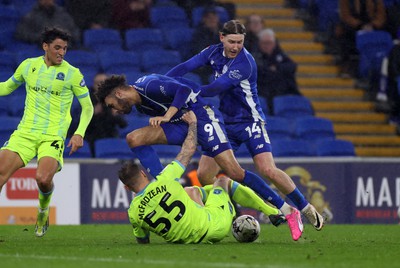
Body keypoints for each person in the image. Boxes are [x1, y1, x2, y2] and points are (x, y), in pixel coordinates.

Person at [95, 74, 302, 240]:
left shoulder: (146, 86)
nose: (114, 111)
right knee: (134, 138)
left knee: (233, 172)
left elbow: (183, 90)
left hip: (203, 118)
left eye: (112, 104)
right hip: (183, 124)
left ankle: (284, 209)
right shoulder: (141, 101)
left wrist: (167, 116)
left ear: (119, 93)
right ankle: (164, 184)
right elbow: (172, 82)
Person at [165, 20, 324, 232]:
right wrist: (161, 82)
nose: (235, 47)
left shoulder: (245, 63)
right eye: (231, 41)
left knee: (267, 169)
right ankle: (231, 210)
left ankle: (304, 207)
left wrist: (186, 93)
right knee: (204, 174)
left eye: (240, 42)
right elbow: (186, 66)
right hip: (226, 124)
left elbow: (215, 88)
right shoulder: (212, 52)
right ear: (221, 38)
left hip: (251, 122)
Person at [119, 111, 281, 244]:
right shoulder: (165, 179)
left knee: (191, 190)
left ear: (126, 187)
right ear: (143, 173)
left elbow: (143, 240)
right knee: (222, 181)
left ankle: (209, 207)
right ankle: (271, 212)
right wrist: (193, 124)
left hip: (185, 240)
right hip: (215, 227)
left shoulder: (133, 212)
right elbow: (188, 150)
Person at [0, 27, 94, 237]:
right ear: (46, 47)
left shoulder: (72, 74)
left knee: (42, 178)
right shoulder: (28, 66)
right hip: (25, 133)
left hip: (52, 135)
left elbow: (87, 107)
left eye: (65, 48)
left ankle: (43, 210)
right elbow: (6, 87)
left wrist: (79, 133)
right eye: (57, 48)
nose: (62, 52)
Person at [253, 28, 302, 114]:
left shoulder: (279, 54)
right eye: (264, 43)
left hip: (282, 91)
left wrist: (277, 68)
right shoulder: (254, 56)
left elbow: (292, 66)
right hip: (262, 91)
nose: (267, 46)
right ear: (259, 43)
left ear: (274, 43)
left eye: (269, 43)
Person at [337, 0, 386, 78]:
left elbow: (381, 16)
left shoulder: (377, 1)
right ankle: (346, 65)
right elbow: (345, 16)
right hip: (353, 27)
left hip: (372, 27)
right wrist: (360, 25)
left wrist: (373, 25)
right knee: (344, 34)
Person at [83, 73, 127, 155]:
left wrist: (116, 115)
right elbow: (76, 123)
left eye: (104, 83)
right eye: (98, 83)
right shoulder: (86, 99)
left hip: (110, 137)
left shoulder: (115, 100)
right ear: (93, 85)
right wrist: (93, 113)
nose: (101, 86)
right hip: (91, 138)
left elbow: (123, 124)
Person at [15, 0, 81, 48]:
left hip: (65, 48)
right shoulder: (31, 16)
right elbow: (21, 33)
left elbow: (75, 32)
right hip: (42, 48)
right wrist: (42, 36)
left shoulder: (63, 15)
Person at [190, 7, 222, 84]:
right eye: (209, 18)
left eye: (214, 17)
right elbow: (201, 52)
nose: (212, 20)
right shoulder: (199, 34)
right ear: (204, 19)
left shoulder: (223, 32)